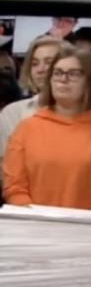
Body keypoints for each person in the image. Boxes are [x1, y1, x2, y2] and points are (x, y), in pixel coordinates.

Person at [2, 45, 91, 210]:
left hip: (87, 224)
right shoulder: (26, 128)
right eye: (58, 72)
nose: (63, 79)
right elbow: (14, 186)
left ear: (89, 81)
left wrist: (86, 221)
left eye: (73, 73)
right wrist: (34, 218)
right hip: (31, 222)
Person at [0, 37, 62, 189]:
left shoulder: (86, 114)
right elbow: (4, 169)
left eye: (48, 62)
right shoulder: (12, 113)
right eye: (35, 63)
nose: (40, 69)